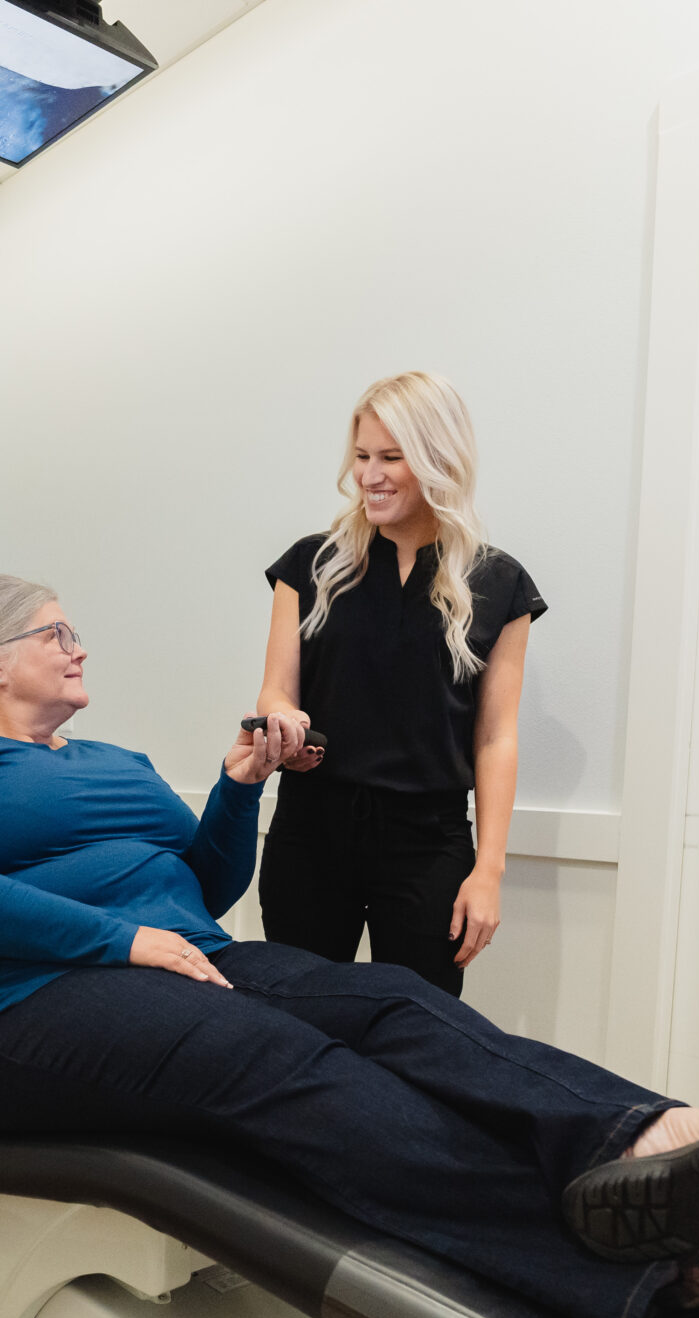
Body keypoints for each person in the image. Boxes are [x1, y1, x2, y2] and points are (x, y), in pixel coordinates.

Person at [0, 574, 699, 1318]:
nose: (78, 649)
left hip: (185, 962)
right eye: (56, 634)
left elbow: (203, 885)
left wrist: (237, 790)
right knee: (271, 1057)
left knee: (392, 1000)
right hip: (23, 1015)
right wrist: (118, 939)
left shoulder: (113, 764)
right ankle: (649, 1273)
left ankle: (658, 1144)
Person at [253, 371, 541, 996]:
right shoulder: (310, 565)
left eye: (391, 457)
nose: (369, 475)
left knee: (419, 1036)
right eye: (361, 457)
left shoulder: (500, 583)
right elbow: (276, 690)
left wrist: (487, 872)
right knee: (299, 1026)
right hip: (311, 831)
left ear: (439, 460)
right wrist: (284, 720)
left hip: (428, 844)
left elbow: (495, 738)